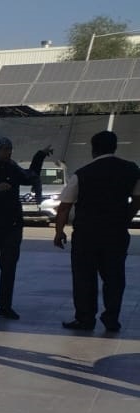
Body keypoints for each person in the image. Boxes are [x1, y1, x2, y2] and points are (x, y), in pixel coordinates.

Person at [53, 131, 140, 332]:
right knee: (114, 277)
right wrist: (125, 217)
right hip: (116, 233)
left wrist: (59, 232)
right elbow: (137, 199)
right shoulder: (131, 170)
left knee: (84, 277)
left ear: (94, 149)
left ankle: (85, 319)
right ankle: (111, 319)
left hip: (86, 234)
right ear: (114, 147)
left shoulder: (82, 173)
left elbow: (65, 206)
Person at [0, 137, 51, 321]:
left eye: (10, 149)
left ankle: (5, 307)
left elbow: (31, 176)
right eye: (5, 149)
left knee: (9, 268)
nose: (8, 153)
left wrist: (40, 156)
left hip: (11, 226)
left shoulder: (13, 169)